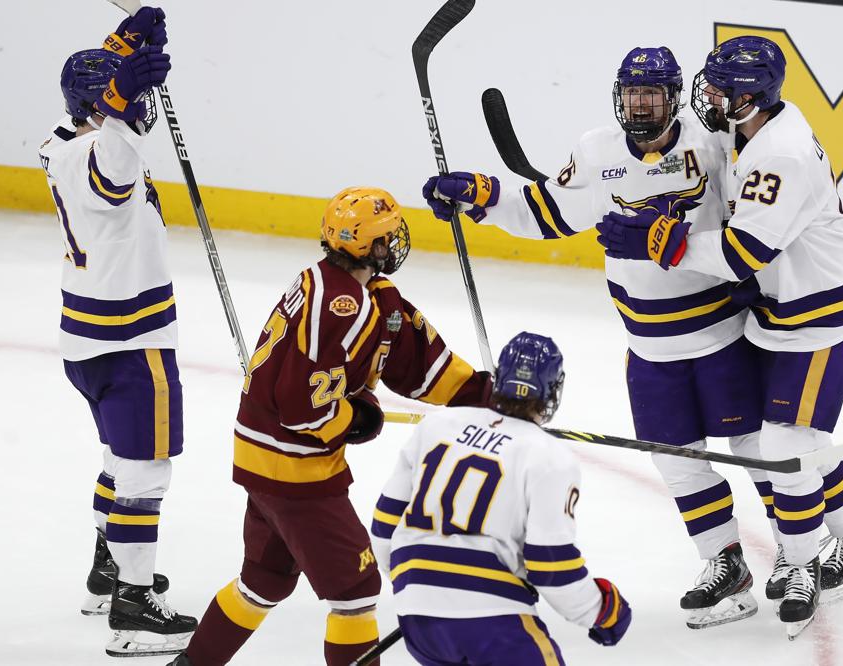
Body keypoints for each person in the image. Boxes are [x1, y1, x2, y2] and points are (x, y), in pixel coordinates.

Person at [423, 47, 773, 629]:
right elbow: (547, 213)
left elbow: (756, 218)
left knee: (758, 451)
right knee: (676, 462)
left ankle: (796, 554)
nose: (640, 105)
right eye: (632, 94)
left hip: (721, 335)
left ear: (674, 96)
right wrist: (483, 195)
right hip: (650, 350)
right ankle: (725, 564)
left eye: (652, 94)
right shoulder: (597, 152)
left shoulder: (713, 144)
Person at [595, 35, 843, 636]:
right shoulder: (747, 130)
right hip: (777, 312)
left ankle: (808, 563)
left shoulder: (783, 155)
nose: (711, 95)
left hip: (817, 322)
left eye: (723, 88)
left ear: (752, 97)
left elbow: (741, 253)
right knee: (785, 445)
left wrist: (659, 243)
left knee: (781, 448)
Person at [169, 187, 492, 666]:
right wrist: (352, 417)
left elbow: (410, 357)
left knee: (264, 581)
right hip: (298, 475)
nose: (396, 242)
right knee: (357, 594)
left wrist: (483, 396)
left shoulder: (343, 289)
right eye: (388, 236)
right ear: (371, 247)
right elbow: (302, 408)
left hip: (262, 463)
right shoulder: (346, 308)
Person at [38, 5, 198, 658]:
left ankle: (107, 571)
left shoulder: (58, 144)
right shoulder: (108, 156)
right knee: (145, 473)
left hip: (86, 342)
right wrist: (123, 94)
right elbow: (111, 176)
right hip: (132, 345)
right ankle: (133, 611)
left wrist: (119, 49)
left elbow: (93, 123)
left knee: (117, 461)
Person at [370, 332, 631, 664]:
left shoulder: (438, 425)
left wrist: (423, 588)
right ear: (552, 392)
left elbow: (385, 525)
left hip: (417, 617)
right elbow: (551, 564)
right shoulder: (549, 456)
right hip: (492, 621)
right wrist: (603, 611)